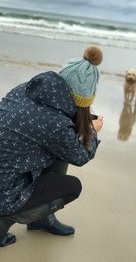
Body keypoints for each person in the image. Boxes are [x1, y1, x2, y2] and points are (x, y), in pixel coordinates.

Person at [0, 45, 104, 247]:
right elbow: (80, 156)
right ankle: (4, 220)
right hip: (3, 192)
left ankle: (42, 220)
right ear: (82, 100)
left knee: (55, 150)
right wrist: (93, 131)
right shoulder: (56, 124)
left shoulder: (24, 90)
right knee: (72, 187)